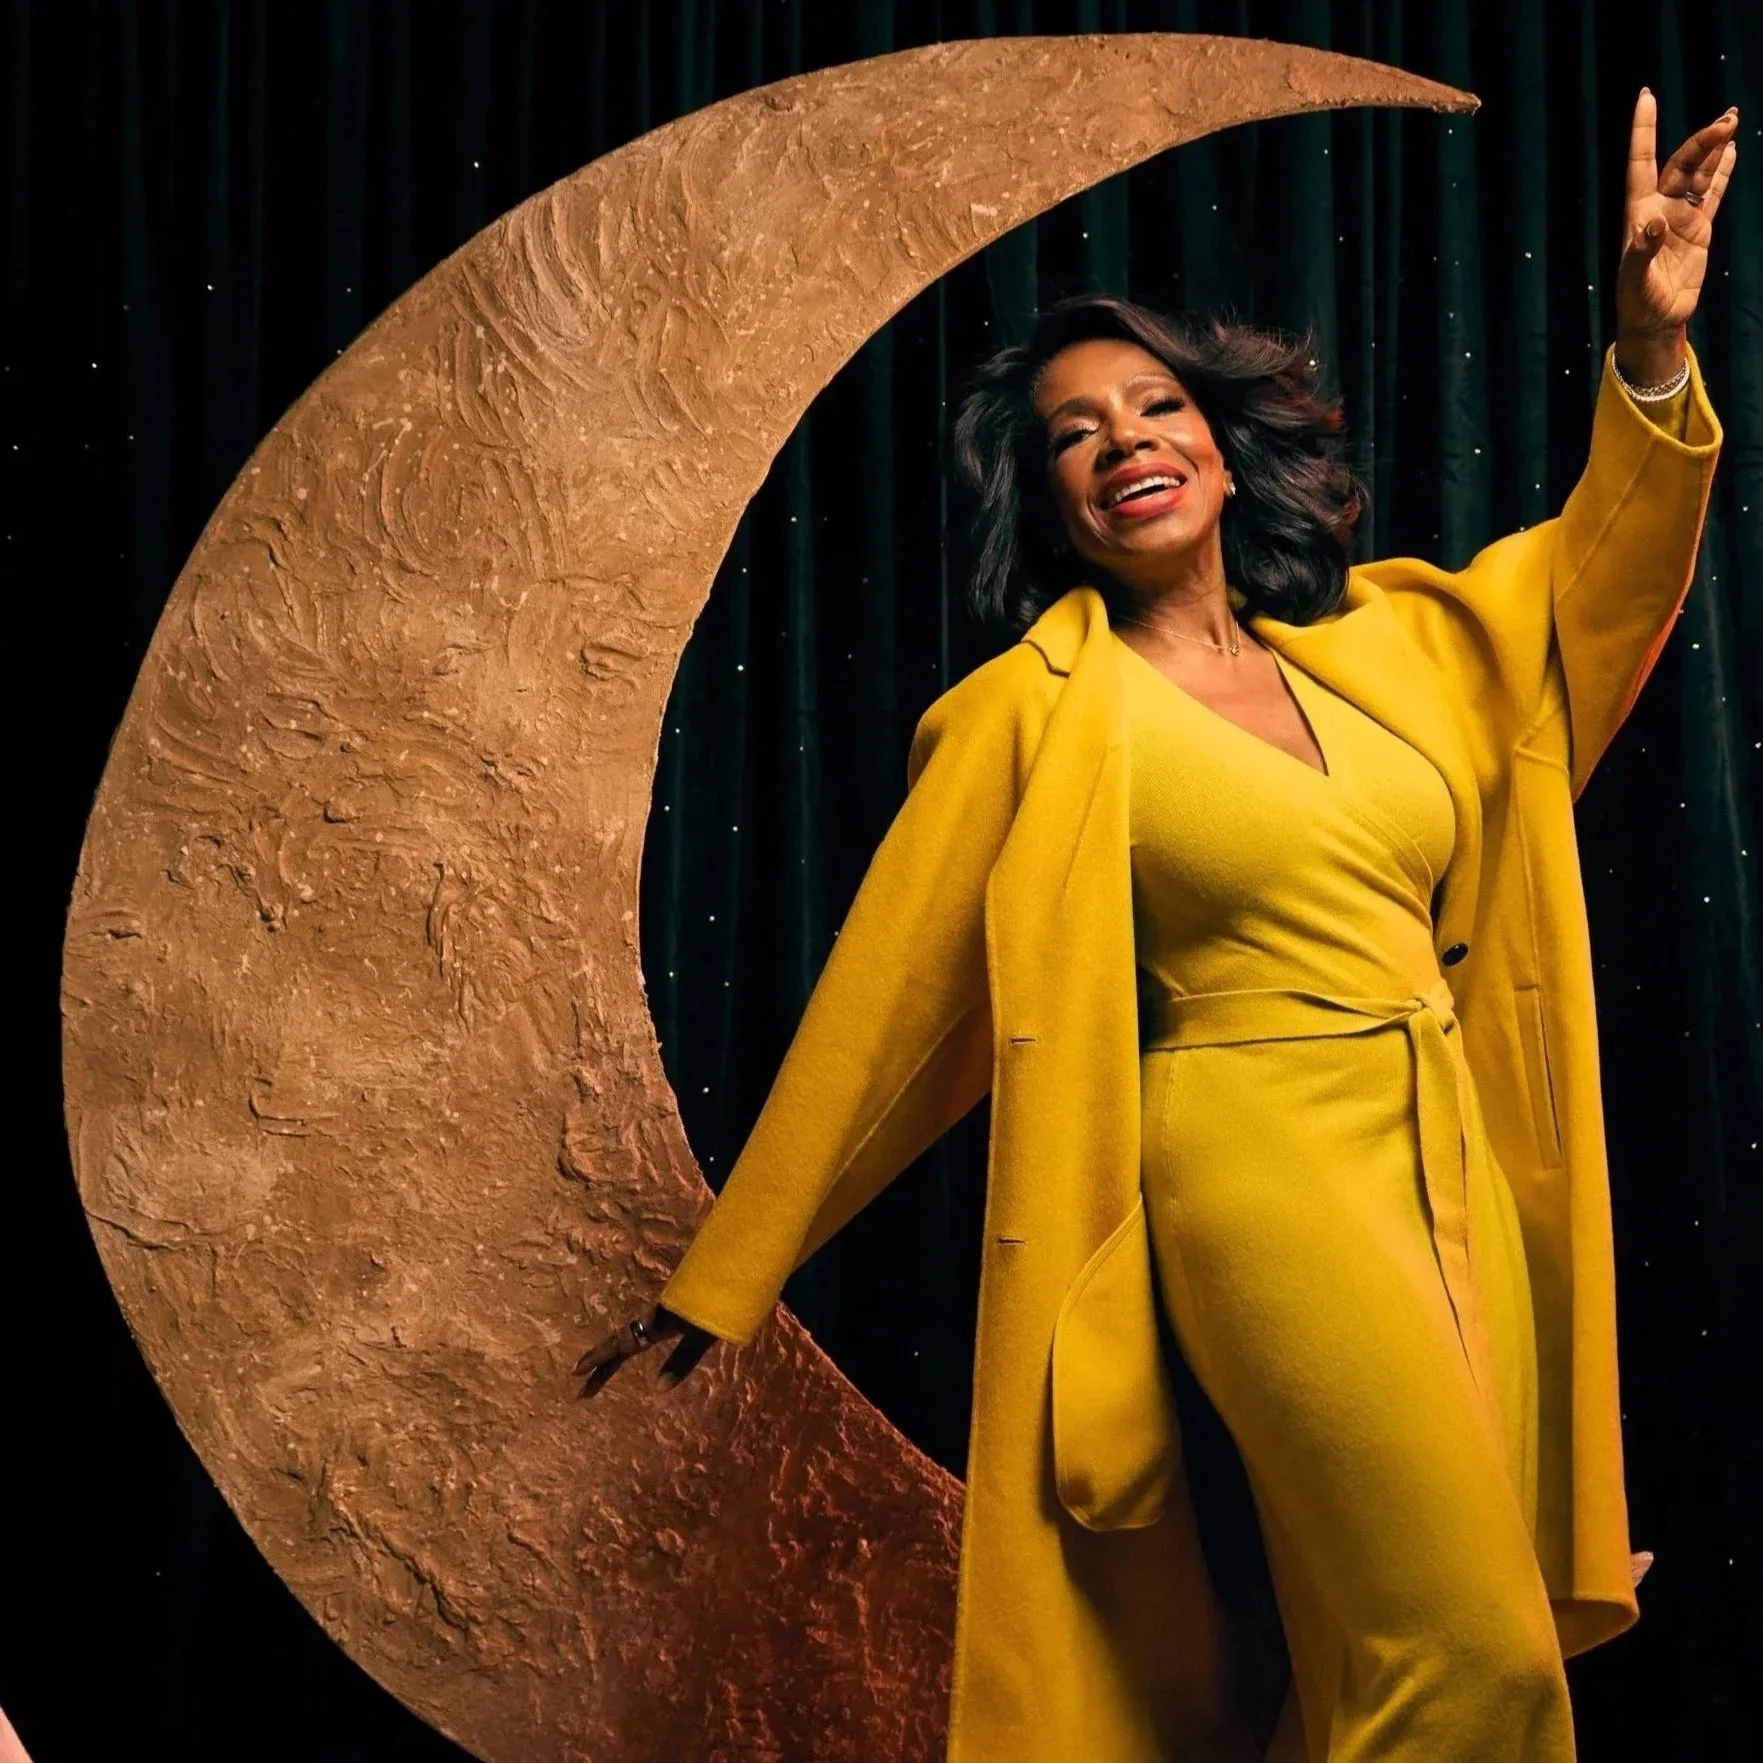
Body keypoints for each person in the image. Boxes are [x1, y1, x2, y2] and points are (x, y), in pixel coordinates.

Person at [577, 91, 1734, 1762]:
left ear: (1220, 441)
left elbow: (1599, 582)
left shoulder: (1397, 641)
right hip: (1255, 1172)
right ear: (1050, 503)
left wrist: (1646, 348)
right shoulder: (1032, 714)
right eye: (1071, 434)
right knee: (1467, 1654)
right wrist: (727, 1271)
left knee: (1378, 1657)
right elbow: (894, 1000)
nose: (1122, 438)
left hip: (1450, 1155)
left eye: (1153, 403)